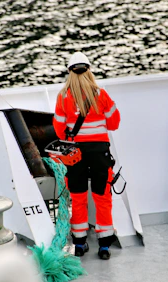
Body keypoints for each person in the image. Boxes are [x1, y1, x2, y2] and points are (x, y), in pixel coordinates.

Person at [53, 51, 120, 260]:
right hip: (99, 152)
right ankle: (104, 246)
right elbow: (114, 124)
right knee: (102, 197)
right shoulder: (101, 94)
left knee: (78, 196)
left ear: (69, 72)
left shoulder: (63, 96)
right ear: (89, 70)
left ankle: (80, 243)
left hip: (76, 154)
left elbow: (58, 130)